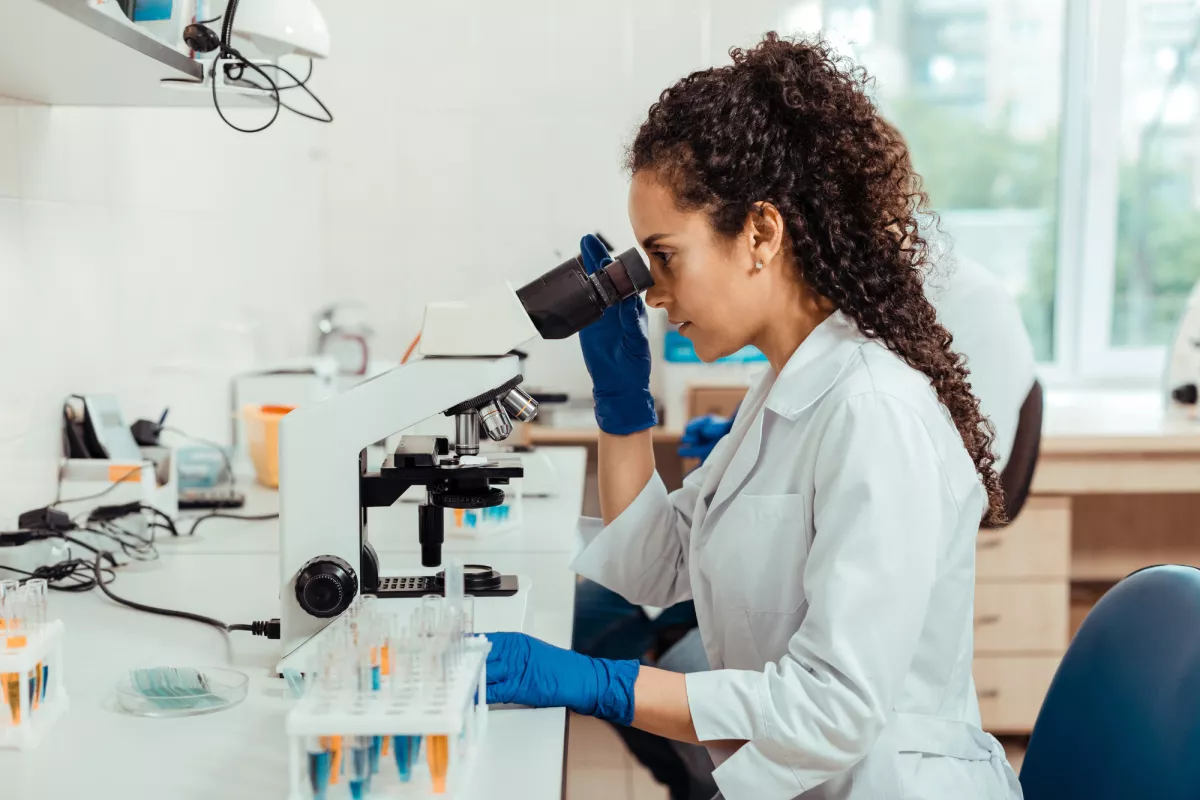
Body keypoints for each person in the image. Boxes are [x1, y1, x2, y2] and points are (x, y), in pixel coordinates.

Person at [487, 33, 1023, 800]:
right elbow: (651, 567)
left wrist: (602, 683)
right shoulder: (786, 384)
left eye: (664, 256)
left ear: (761, 234)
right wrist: (622, 408)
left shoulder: (873, 410)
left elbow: (833, 710)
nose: (654, 293)